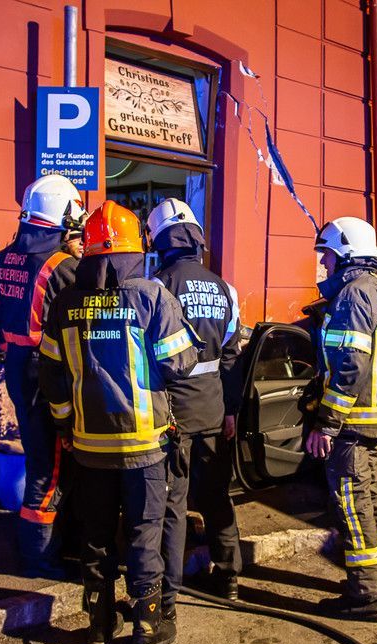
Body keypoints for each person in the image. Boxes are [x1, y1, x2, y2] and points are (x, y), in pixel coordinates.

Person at [38, 200, 200, 644]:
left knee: (96, 536)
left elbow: (51, 375)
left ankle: (99, 626)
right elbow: (180, 363)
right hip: (145, 447)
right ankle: (147, 627)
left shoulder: (65, 304)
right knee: (144, 533)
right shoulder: (152, 298)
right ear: (135, 251)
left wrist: (65, 423)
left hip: (89, 447)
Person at [145, 198, 244, 611]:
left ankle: (169, 588)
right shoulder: (224, 288)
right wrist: (231, 411)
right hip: (214, 409)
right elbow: (232, 356)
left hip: (173, 413)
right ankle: (229, 576)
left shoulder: (157, 287)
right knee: (217, 493)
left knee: (173, 500)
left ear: (160, 242)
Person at [0, 173, 85, 579]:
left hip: (16, 364)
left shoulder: (1, 259)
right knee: (52, 463)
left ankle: (45, 545)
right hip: (47, 368)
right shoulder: (62, 266)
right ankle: (39, 555)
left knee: (40, 454)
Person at [305, 216, 377, 623]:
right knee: (372, 497)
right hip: (376, 419)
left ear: (346, 253)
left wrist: (326, 422)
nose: (323, 263)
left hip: (352, 422)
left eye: (327, 254)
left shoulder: (354, 294)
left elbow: (350, 364)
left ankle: (365, 595)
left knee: (352, 505)